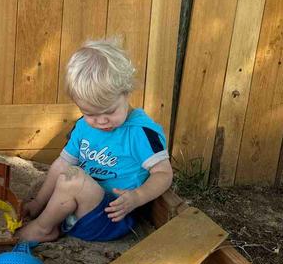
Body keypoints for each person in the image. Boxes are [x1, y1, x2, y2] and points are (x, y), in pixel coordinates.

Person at [16, 39, 173, 243]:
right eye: (90, 113)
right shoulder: (83, 126)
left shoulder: (140, 132)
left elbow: (163, 173)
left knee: (74, 178)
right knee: (68, 174)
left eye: (109, 111)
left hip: (112, 216)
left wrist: (137, 197)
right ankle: (49, 219)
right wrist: (38, 202)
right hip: (77, 210)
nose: (101, 121)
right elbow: (61, 164)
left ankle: (43, 229)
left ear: (126, 93)